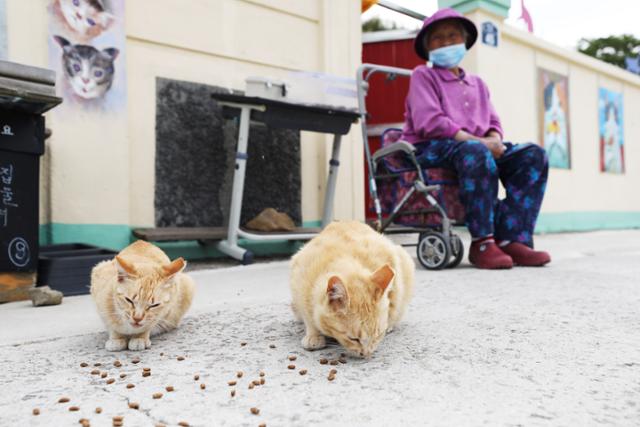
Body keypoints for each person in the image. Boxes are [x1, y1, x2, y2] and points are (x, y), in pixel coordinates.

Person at [401, 8, 551, 269]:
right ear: (427, 46)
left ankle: (513, 238)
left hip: (475, 147)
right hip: (430, 147)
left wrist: (494, 140)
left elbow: (493, 122)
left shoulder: (478, 83)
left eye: (452, 36)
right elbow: (430, 122)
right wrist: (481, 144)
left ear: (464, 41)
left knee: (532, 155)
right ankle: (482, 242)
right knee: (474, 151)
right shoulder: (422, 75)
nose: (446, 42)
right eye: (438, 38)